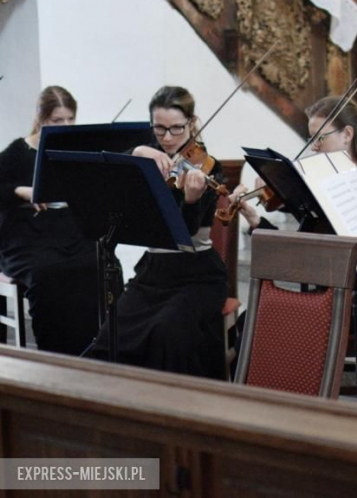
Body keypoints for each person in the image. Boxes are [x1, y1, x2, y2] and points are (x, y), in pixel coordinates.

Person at [93, 86, 228, 379]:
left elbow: (186, 232)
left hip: (196, 275)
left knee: (166, 331)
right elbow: (110, 170)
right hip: (153, 273)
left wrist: (192, 200)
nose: (167, 138)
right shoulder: (148, 158)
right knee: (110, 335)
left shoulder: (208, 167)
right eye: (159, 128)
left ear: (192, 123)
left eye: (176, 129)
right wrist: (137, 150)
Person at [232, 96, 357, 330]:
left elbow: (313, 251)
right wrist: (257, 220)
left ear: (347, 135)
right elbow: (309, 242)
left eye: (320, 138)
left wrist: (289, 193)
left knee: (254, 322)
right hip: (333, 291)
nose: (314, 146)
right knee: (249, 321)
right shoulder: (330, 181)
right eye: (311, 138)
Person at [0, 86, 103, 355]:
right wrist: (20, 191)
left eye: (71, 119)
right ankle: (55, 358)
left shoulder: (73, 150)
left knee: (97, 263)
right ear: (42, 118)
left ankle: (95, 352)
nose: (66, 126)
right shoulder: (17, 151)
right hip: (25, 237)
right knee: (48, 272)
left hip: (66, 231)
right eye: (58, 120)